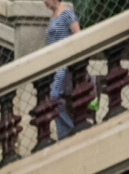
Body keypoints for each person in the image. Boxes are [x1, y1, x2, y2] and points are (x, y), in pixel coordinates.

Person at [44, 0, 81, 140]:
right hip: (53, 64)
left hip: (63, 64)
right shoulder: (53, 16)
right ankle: (64, 134)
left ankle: (71, 130)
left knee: (54, 99)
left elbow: (77, 33)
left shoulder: (66, 13)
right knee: (54, 101)